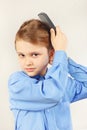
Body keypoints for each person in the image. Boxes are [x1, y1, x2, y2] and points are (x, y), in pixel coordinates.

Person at [8, 19, 87, 130]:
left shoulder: (61, 81)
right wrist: (60, 57)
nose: (27, 62)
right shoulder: (17, 83)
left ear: (50, 54)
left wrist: (63, 60)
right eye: (21, 55)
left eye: (34, 54)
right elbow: (51, 93)